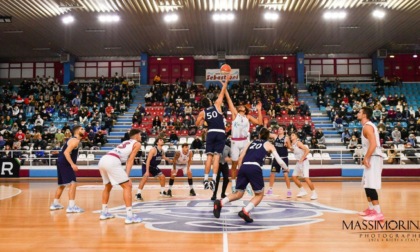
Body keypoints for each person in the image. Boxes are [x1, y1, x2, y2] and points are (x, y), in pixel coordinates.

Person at [213, 127, 288, 223]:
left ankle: (220, 202)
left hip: (243, 167)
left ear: (259, 135)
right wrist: (286, 168)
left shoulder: (250, 143)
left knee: (238, 193)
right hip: (255, 167)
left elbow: (240, 158)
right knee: (259, 194)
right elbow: (280, 161)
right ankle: (245, 211)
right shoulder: (269, 144)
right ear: (268, 137)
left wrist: (241, 172)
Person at [98, 129, 142, 224]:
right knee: (127, 186)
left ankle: (104, 212)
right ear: (137, 135)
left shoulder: (126, 141)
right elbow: (130, 160)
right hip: (112, 160)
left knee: (108, 186)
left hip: (103, 159)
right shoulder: (137, 144)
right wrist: (127, 175)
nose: (141, 137)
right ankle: (130, 216)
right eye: (140, 135)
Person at [224, 86, 263, 194]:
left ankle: (247, 185)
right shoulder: (234, 114)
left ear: (245, 109)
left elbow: (259, 122)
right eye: (239, 106)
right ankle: (233, 184)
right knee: (234, 164)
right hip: (235, 141)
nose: (241, 106)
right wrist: (225, 88)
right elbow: (229, 101)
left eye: (242, 106)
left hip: (245, 141)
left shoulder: (248, 117)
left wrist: (259, 110)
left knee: (246, 164)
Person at [195, 75, 230, 190]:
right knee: (217, 156)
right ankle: (214, 180)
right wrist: (224, 82)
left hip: (210, 133)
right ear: (210, 102)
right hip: (220, 132)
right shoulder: (217, 105)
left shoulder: (202, 112)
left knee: (209, 156)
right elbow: (223, 91)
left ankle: (205, 179)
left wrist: (204, 123)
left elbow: (197, 124)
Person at [357, 107, 385, 221]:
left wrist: (366, 158)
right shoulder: (367, 126)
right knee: (366, 184)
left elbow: (373, 144)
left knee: (371, 185)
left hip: (374, 157)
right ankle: (371, 209)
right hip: (371, 156)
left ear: (364, 115)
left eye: (359, 112)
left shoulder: (368, 127)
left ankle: (378, 213)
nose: (357, 113)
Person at [49, 125, 85, 213]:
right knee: (73, 183)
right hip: (65, 163)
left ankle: (55, 204)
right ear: (76, 131)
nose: (84, 130)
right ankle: (71, 206)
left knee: (62, 184)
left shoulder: (73, 140)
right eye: (82, 129)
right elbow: (66, 152)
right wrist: (72, 164)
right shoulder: (75, 141)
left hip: (61, 162)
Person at [290, 132, 318, 200]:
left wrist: (302, 157)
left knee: (306, 178)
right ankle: (303, 191)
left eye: (293, 135)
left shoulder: (298, 143)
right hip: (298, 162)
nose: (291, 136)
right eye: (291, 135)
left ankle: (314, 193)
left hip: (304, 161)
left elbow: (307, 150)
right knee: (294, 177)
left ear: (296, 137)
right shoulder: (292, 144)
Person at [266, 125, 292, 197]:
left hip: (284, 158)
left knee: (285, 174)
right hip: (276, 158)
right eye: (278, 129)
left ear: (284, 131)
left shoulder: (286, 138)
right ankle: (270, 189)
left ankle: (289, 190)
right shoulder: (275, 136)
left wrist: (287, 145)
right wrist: (267, 127)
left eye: (281, 129)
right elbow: (267, 134)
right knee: (272, 173)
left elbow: (290, 147)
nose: (279, 130)